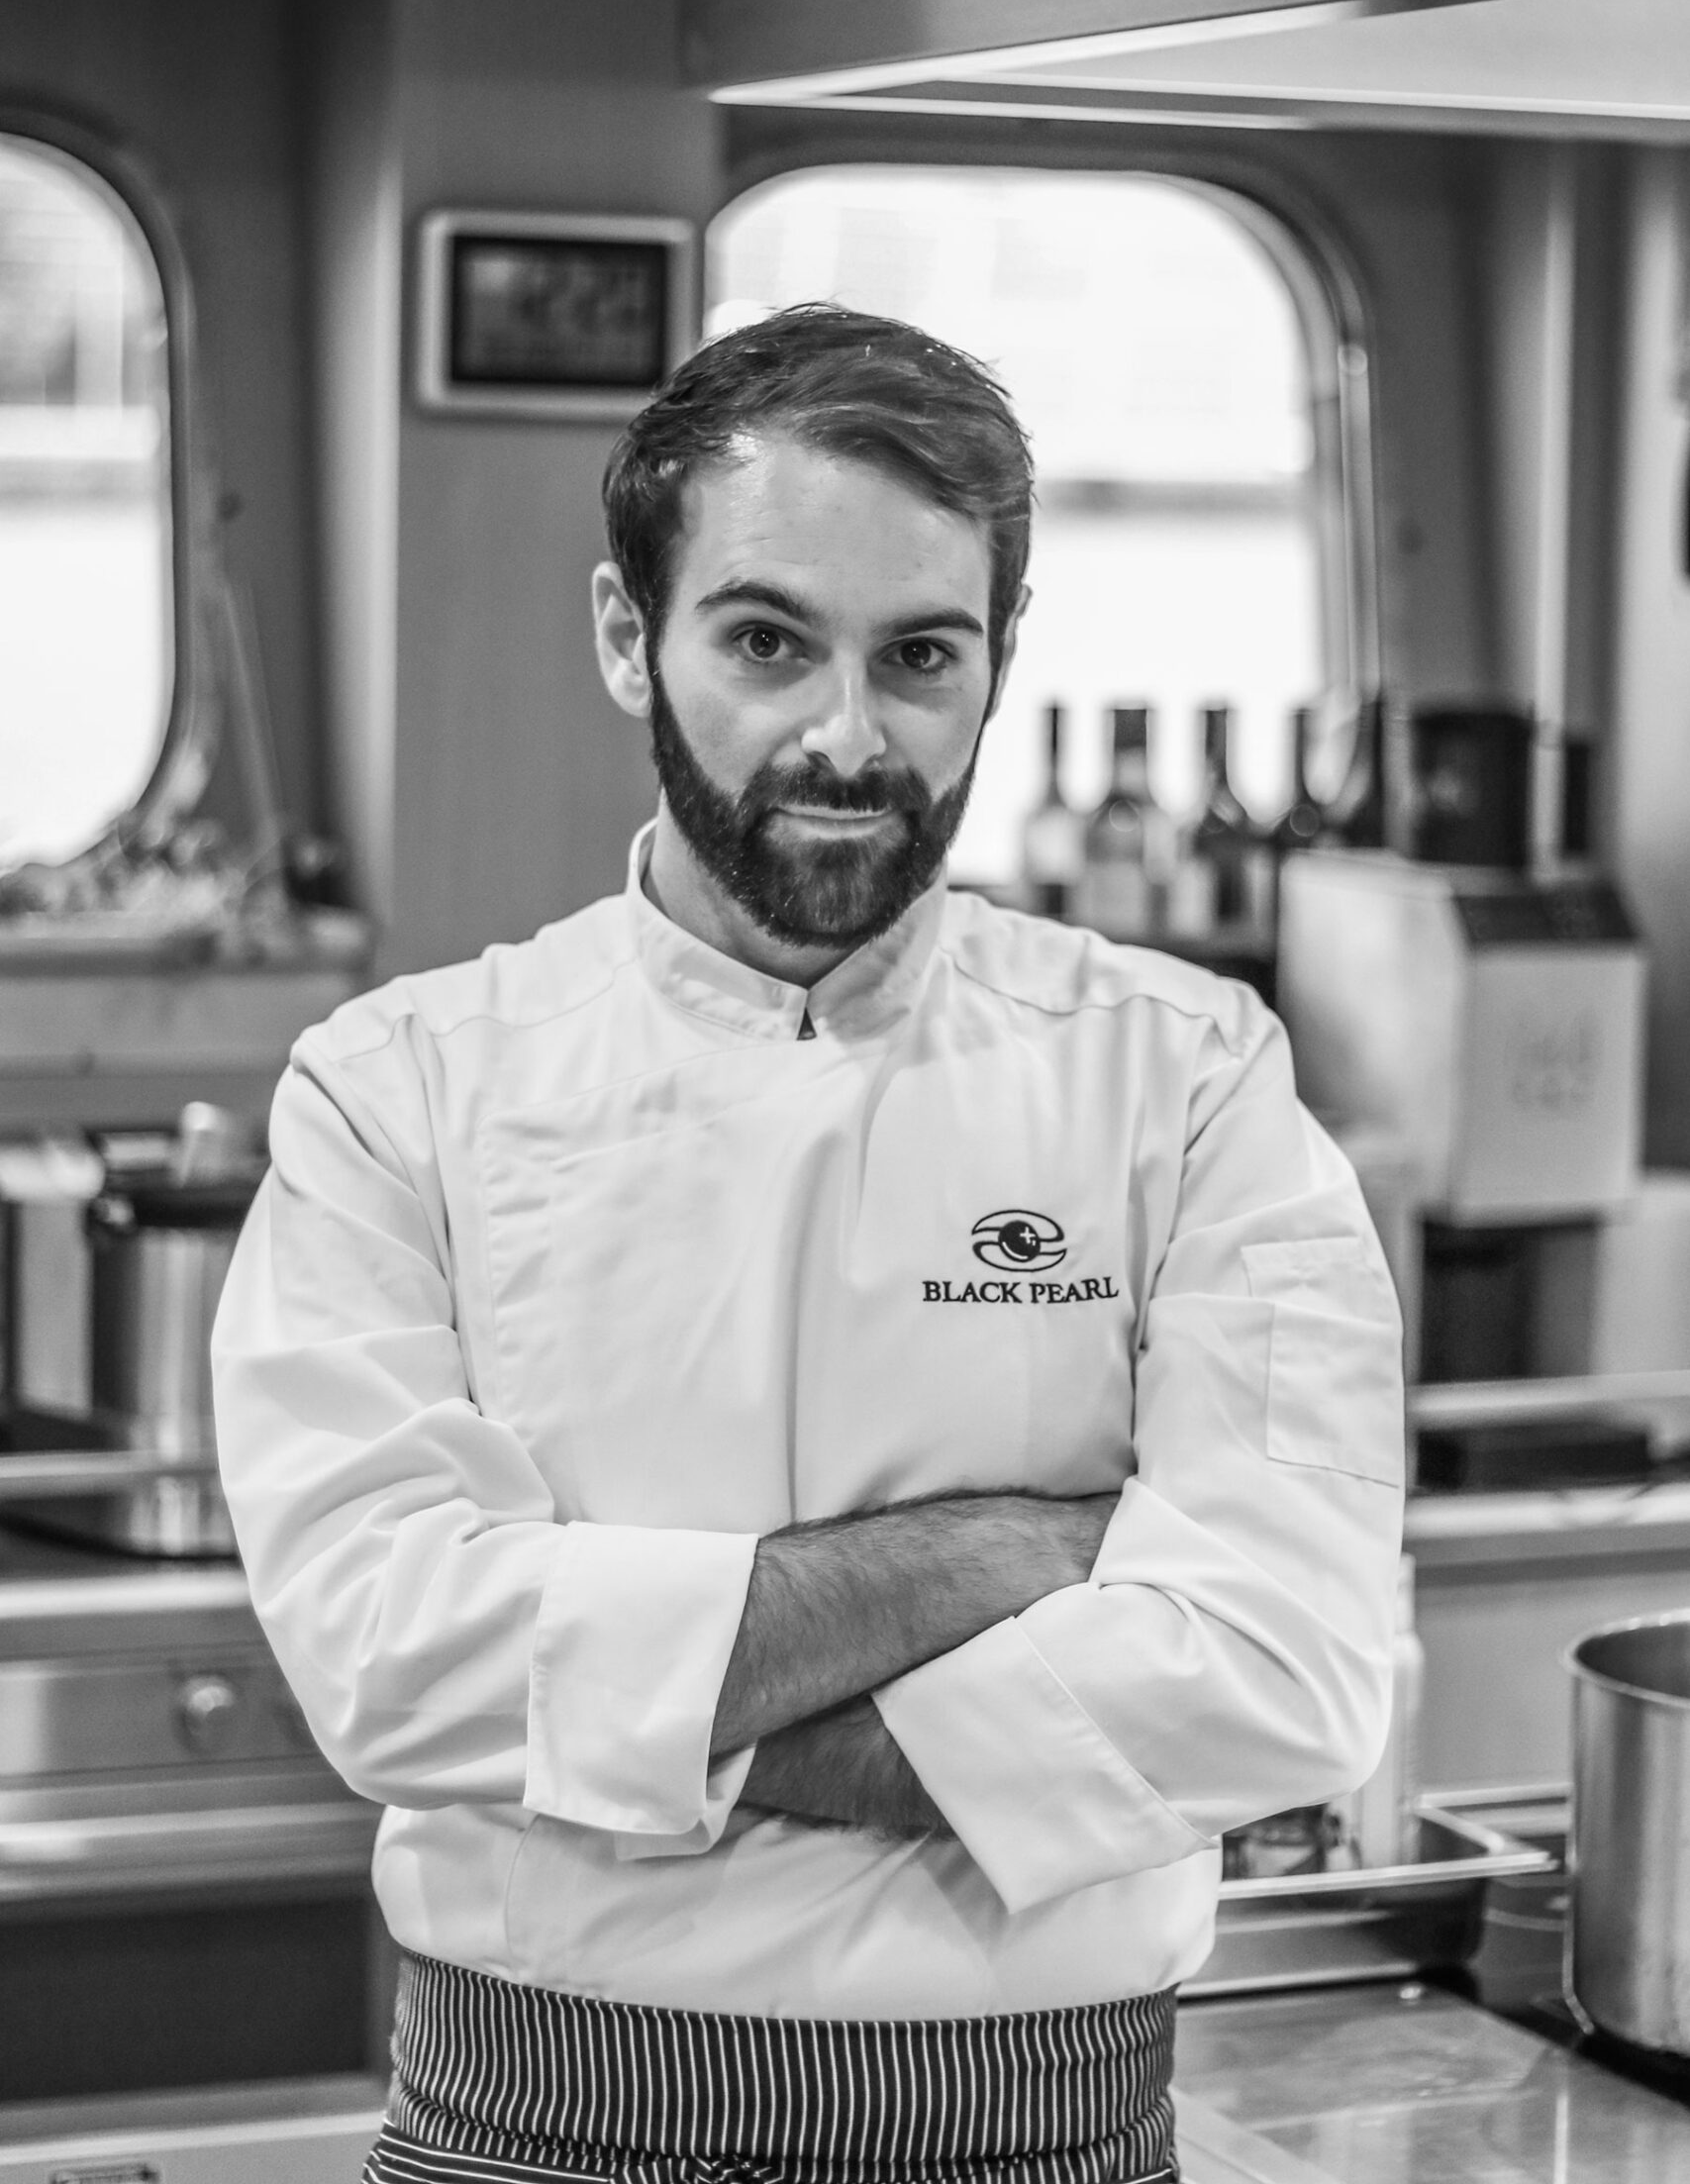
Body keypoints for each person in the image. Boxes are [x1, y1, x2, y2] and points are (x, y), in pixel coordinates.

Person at [212, 304, 1405, 2184]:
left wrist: (631, 1717)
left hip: (1046, 2132)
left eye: (919, 656)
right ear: (631, 634)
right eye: (767, 642)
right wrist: (1001, 1558)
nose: (848, 737)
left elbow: (1289, 1669)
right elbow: (389, 1661)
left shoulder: (1186, 1078)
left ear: (1000, 658)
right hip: (533, 2123)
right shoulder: (400, 1087)